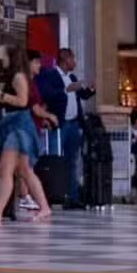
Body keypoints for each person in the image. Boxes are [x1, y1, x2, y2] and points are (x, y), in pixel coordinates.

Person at [0, 59, 55, 223]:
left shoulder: (18, 76)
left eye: (5, 56)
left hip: (17, 129)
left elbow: (22, 101)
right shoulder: (24, 77)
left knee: (5, 170)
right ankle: (44, 207)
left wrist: (1, 95)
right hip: (20, 127)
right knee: (25, 171)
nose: (2, 59)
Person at [53, 47, 88, 210]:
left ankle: (72, 197)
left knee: (72, 161)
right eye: (72, 59)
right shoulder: (53, 75)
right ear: (65, 59)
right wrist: (66, 89)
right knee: (56, 160)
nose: (74, 62)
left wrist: (89, 88)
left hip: (73, 123)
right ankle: (56, 194)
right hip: (61, 124)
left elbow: (83, 95)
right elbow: (49, 94)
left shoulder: (72, 76)